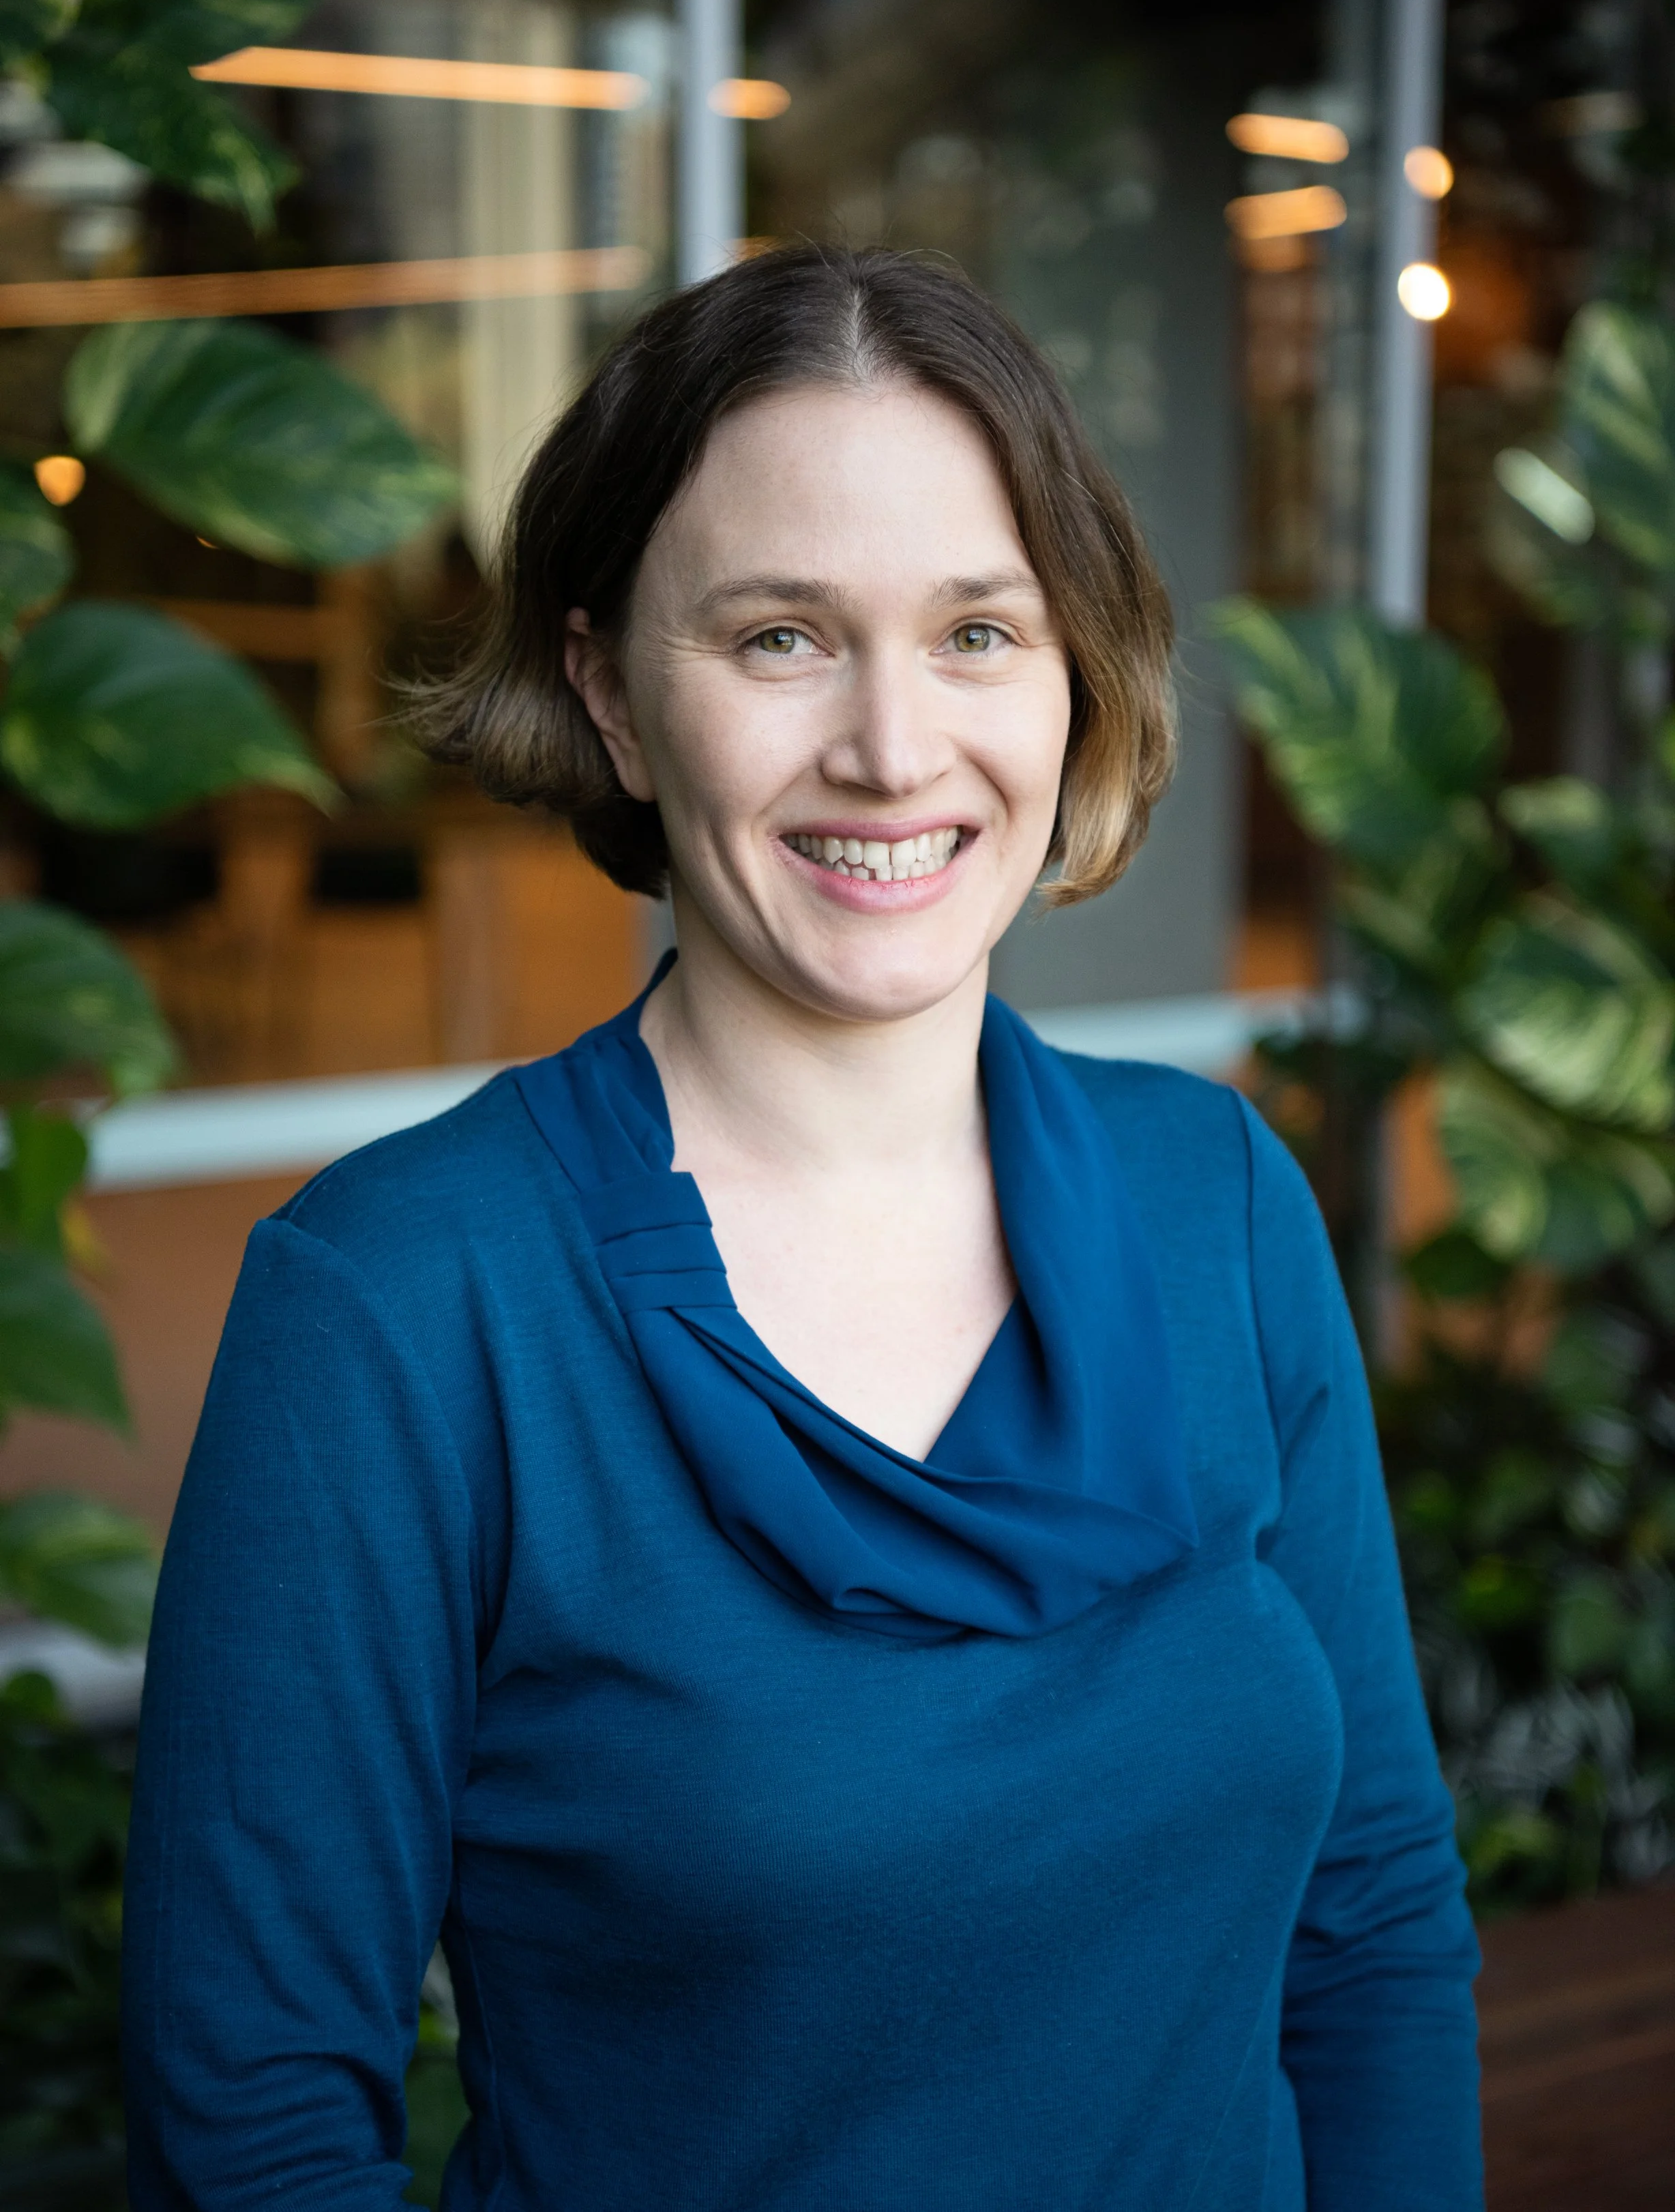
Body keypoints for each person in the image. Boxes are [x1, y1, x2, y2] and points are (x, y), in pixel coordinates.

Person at [123, 246, 1482, 2211]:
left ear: (1074, 671)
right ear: (605, 685)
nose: (892, 747)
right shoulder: (406, 1304)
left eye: (977, 633)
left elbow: (1369, 1921)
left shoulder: (1221, 1200)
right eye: (779, 637)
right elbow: (251, 2132)